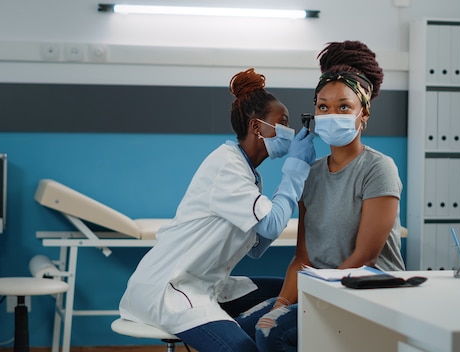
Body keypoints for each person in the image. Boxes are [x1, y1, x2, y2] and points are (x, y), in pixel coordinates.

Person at [118, 68, 315, 352]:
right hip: (170, 288)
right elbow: (271, 225)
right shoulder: (227, 166)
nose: (289, 131)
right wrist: (295, 172)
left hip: (207, 283)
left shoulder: (248, 172)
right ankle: (233, 340)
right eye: (282, 122)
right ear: (257, 126)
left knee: (290, 291)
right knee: (241, 350)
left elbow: (256, 247)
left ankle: (232, 333)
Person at [236, 40, 405, 351]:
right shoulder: (310, 173)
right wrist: (283, 302)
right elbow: (303, 258)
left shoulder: (378, 168)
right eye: (323, 106)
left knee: (273, 334)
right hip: (323, 287)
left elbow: (364, 258)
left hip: (369, 290)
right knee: (242, 329)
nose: (331, 114)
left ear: (363, 114)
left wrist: (313, 299)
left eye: (344, 106)